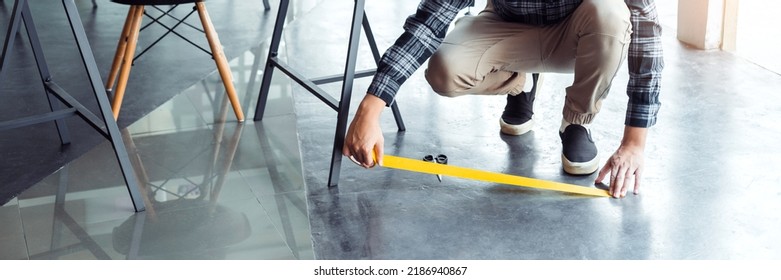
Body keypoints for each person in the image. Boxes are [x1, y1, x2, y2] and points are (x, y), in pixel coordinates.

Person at [342, 0, 663, 199]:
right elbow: (429, 22)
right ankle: (518, 83)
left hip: (579, 31)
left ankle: (576, 121)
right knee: (444, 70)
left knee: (613, 14)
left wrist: (634, 142)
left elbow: (646, 29)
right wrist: (370, 108)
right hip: (506, 26)